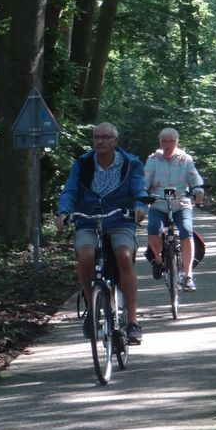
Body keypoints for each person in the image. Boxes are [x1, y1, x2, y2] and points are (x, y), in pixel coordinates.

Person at [56, 123, 149, 345]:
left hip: (120, 220)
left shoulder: (130, 163)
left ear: (115, 141)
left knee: (124, 256)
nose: (100, 141)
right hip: (87, 219)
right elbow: (70, 189)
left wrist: (140, 207)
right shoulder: (83, 163)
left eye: (105, 137)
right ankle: (92, 308)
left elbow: (139, 189)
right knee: (85, 256)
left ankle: (133, 321)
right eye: (97, 137)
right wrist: (64, 211)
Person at [144, 127, 204, 292]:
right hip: (159, 202)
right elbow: (145, 179)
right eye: (164, 141)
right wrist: (142, 195)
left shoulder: (185, 159)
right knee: (153, 228)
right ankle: (157, 259)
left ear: (177, 142)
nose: (167, 144)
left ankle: (188, 275)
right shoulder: (153, 159)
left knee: (186, 230)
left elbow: (194, 176)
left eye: (171, 141)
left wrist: (198, 189)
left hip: (180, 202)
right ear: (160, 143)